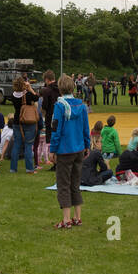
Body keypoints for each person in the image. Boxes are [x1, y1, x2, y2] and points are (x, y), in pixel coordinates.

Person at [49, 74, 91, 228]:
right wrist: (87, 145)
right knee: (75, 183)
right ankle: (77, 217)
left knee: (63, 184)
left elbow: (56, 129)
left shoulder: (59, 106)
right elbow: (86, 128)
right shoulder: (81, 105)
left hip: (65, 149)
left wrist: (52, 149)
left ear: (60, 88)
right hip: (79, 148)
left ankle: (66, 219)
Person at [12, 88, 39, 173]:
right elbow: (36, 97)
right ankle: (29, 168)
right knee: (28, 145)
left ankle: (13, 168)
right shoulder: (28, 94)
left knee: (16, 144)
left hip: (17, 120)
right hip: (29, 120)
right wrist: (30, 88)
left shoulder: (13, 95)